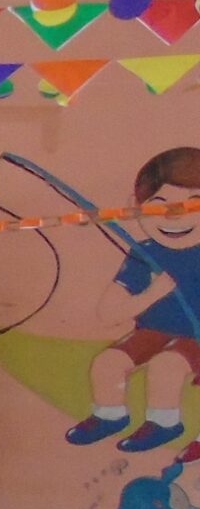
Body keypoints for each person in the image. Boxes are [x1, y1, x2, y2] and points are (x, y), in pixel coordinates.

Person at [70, 146, 200, 454]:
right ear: (135, 207)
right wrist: (153, 293)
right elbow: (108, 312)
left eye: (192, 206)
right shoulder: (145, 254)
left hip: (194, 336)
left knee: (166, 365)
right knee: (108, 362)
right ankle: (109, 415)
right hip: (151, 333)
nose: (176, 218)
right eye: (159, 206)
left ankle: (165, 422)